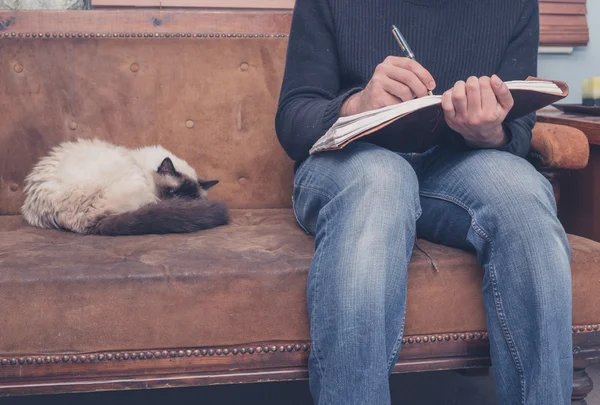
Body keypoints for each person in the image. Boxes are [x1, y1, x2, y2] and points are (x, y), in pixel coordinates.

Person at [274, 0, 573, 404]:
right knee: (382, 181)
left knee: (523, 192)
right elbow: (293, 120)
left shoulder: (515, 6)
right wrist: (358, 104)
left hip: (453, 165)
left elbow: (515, 134)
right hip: (348, 164)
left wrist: (487, 132)